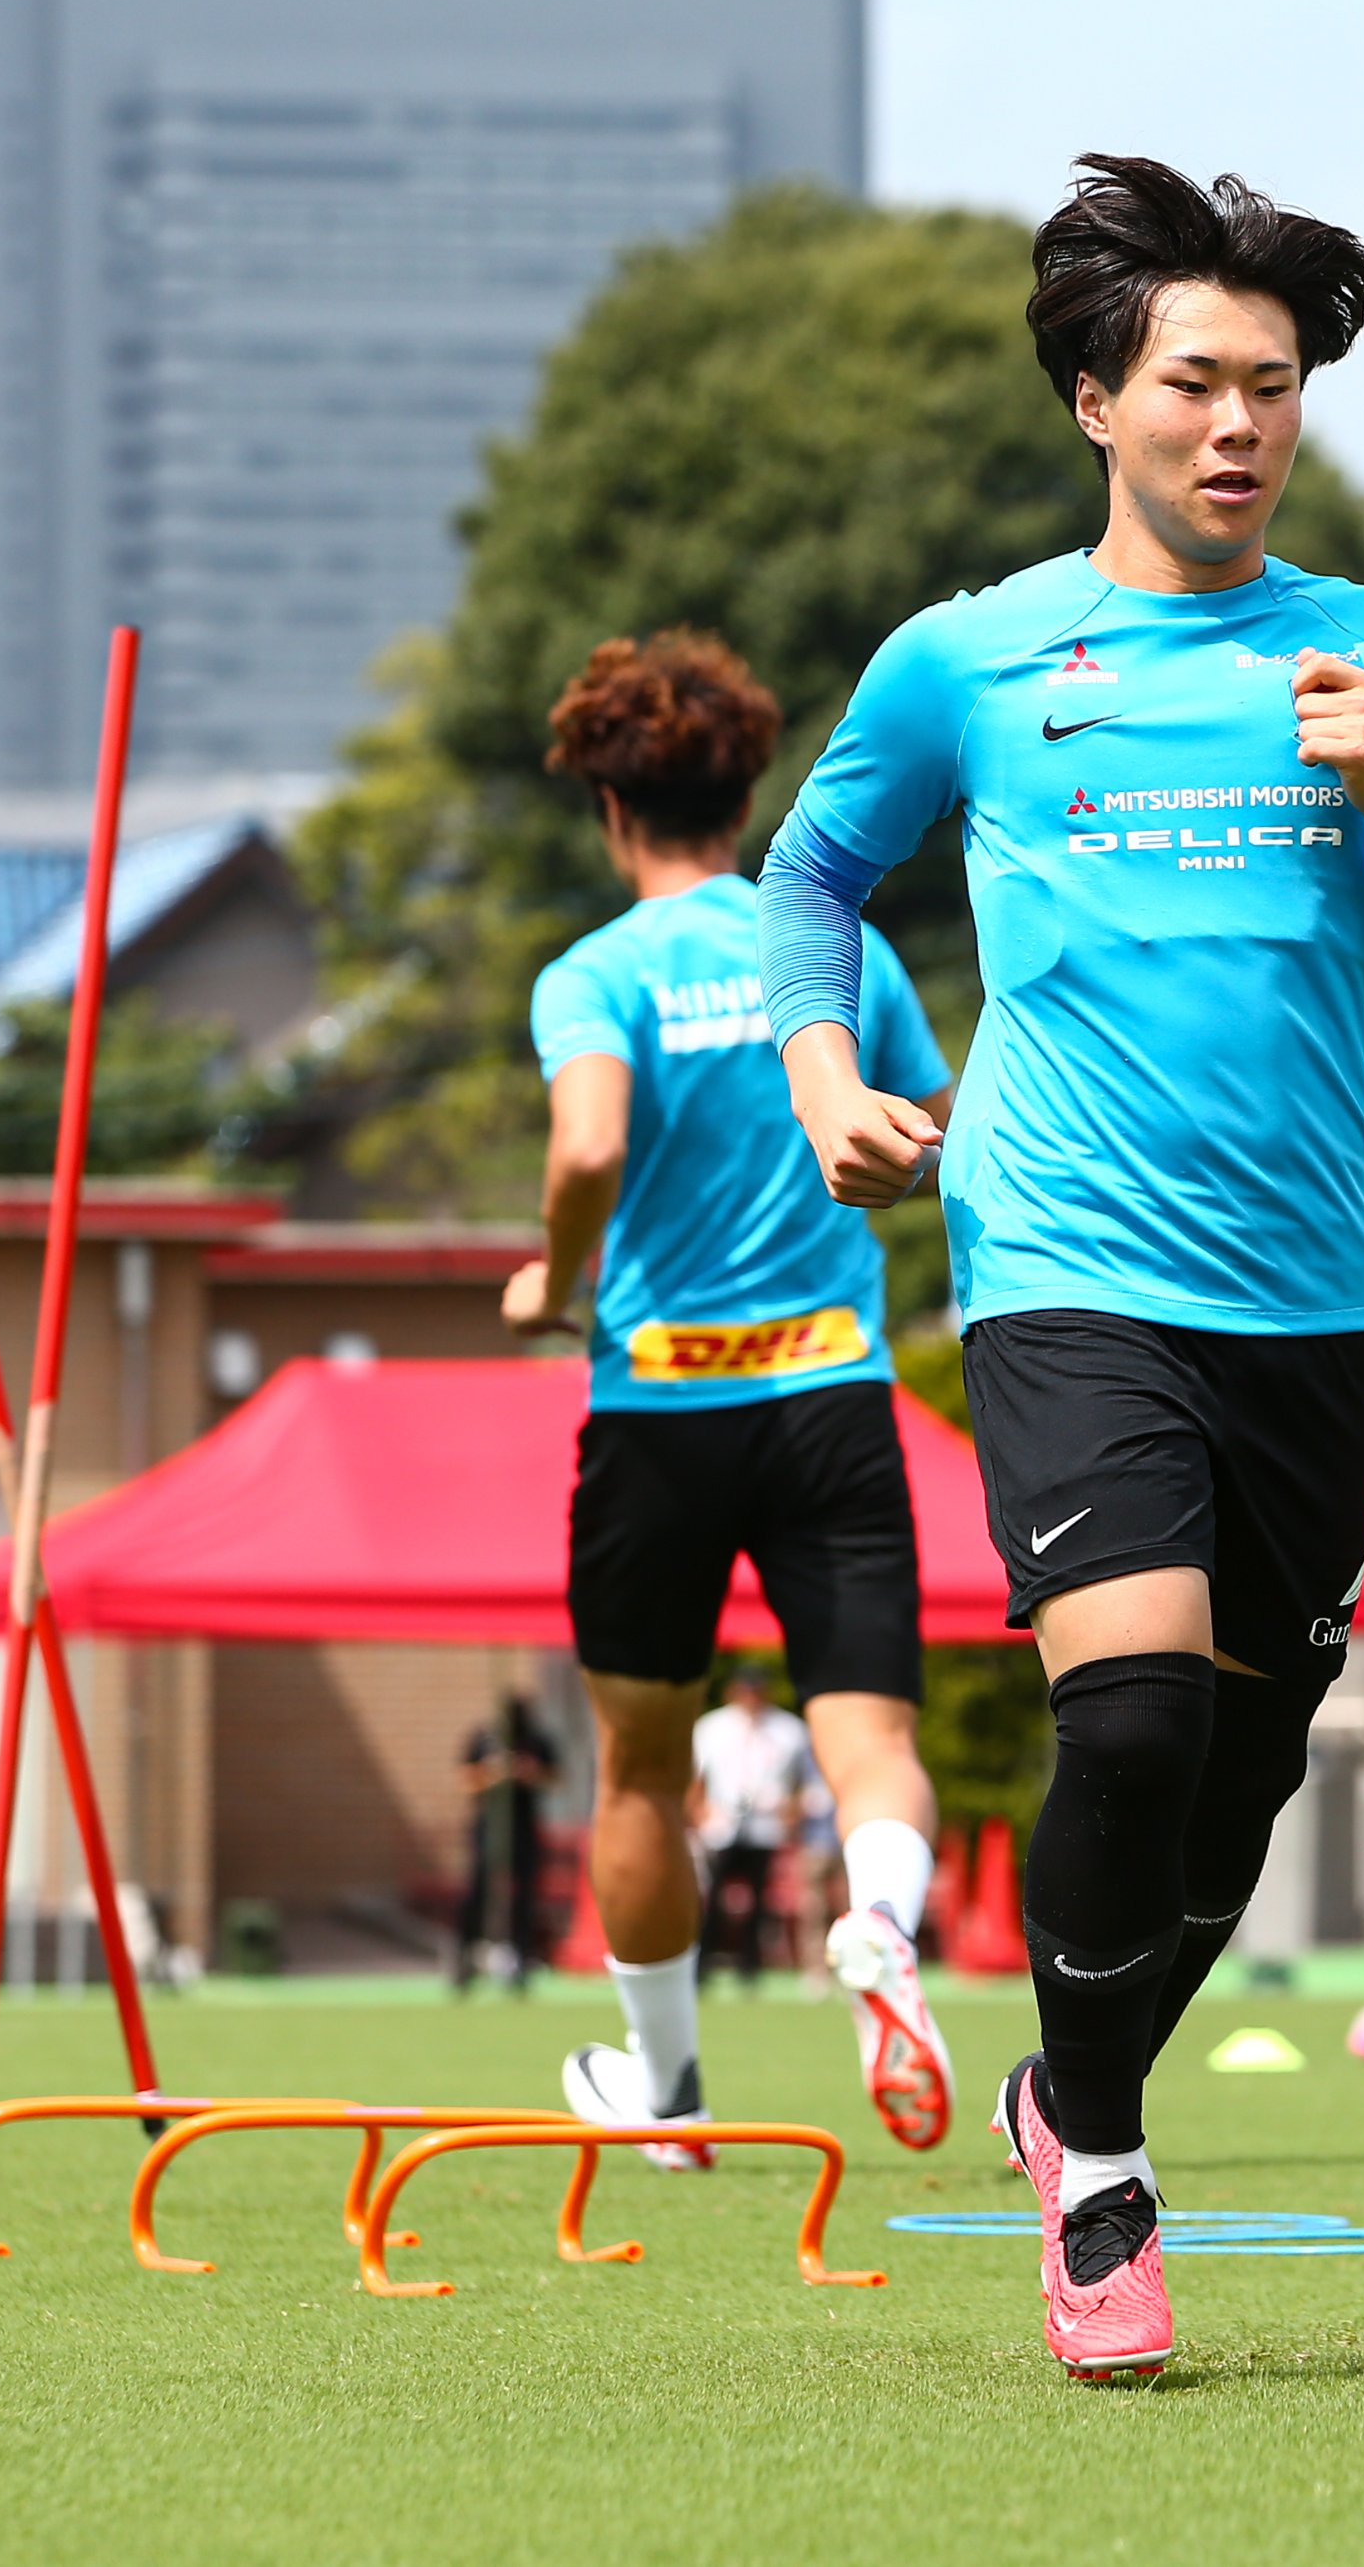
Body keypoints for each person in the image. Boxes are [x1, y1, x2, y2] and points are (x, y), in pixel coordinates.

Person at [761, 155, 1364, 2381]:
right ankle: (1098, 2161)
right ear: (1099, 399)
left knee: (1239, 1783)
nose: (1237, 423)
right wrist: (822, 1069)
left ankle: (1060, 2085)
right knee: (1138, 1705)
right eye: (1194, 381)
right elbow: (811, 880)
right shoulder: (969, 659)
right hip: (1062, 1258)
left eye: (1270, 386)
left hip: (1311, 1294)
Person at [506, 629, 962, 2159]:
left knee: (641, 1764)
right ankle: (880, 1923)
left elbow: (586, 1146)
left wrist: (554, 1274)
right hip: (831, 1393)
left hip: (658, 1408)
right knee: (870, 1738)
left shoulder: (595, 973)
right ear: (748, 791)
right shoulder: (837, 946)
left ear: (609, 808)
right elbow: (931, 1124)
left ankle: (668, 2090)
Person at [691, 1664, 811, 1988]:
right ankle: (703, 1965)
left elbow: (804, 1779)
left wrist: (791, 1810)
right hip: (722, 1823)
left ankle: (750, 1967)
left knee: (760, 1898)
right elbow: (697, 1777)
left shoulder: (789, 1730)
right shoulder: (712, 1727)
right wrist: (699, 1814)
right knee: (713, 1896)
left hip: (766, 1823)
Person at [451, 1691, 560, 1996]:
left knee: (524, 1898)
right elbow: (467, 1781)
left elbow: (556, 1777)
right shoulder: (485, 1740)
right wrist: (494, 1774)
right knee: (478, 1894)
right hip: (490, 1828)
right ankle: (465, 1958)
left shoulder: (536, 1742)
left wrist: (531, 1775)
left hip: (523, 1829)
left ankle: (521, 1961)